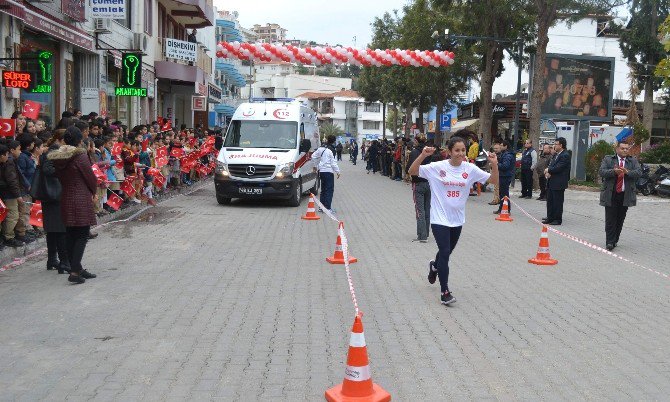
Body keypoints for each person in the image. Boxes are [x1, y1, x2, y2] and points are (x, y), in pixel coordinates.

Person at [408, 136, 499, 305]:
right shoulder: (437, 167)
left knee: (446, 252)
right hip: (439, 218)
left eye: (463, 150)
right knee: (444, 252)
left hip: (457, 219)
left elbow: (493, 180)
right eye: (457, 150)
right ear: (449, 152)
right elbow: (412, 172)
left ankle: (434, 267)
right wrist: (422, 156)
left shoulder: (470, 169)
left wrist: (494, 164)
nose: (460, 153)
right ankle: (445, 292)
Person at [48, 126, 98, 284]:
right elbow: (90, 177)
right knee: (82, 235)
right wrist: (94, 191)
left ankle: (76, 267)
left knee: (70, 234)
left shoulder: (58, 157)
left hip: (67, 196)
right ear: (79, 140)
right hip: (81, 197)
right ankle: (75, 271)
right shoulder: (80, 156)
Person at [598, 142, 642, 250]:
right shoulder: (608, 159)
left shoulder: (633, 161)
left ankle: (615, 240)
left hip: (625, 194)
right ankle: (609, 242)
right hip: (611, 193)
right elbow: (602, 172)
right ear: (617, 149)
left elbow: (639, 173)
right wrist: (613, 171)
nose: (625, 151)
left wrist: (627, 172)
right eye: (622, 148)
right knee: (610, 219)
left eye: (627, 149)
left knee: (620, 219)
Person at [40, 131, 70, 274]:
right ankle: (64, 261)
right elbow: (48, 169)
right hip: (54, 195)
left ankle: (52, 259)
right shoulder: (53, 152)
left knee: (53, 230)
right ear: (61, 140)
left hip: (53, 195)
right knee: (59, 229)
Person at [0, 144, 26, 248]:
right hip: (9, 194)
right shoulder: (9, 163)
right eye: (6, 154)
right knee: (12, 215)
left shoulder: (5, 162)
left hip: (4, 193)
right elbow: (12, 181)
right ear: (2, 155)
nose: (8, 156)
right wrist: (18, 195)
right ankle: (8, 237)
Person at [407, 137, 432, 243]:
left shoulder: (414, 152)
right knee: (427, 209)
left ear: (416, 141)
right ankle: (426, 232)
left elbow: (408, 168)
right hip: (429, 183)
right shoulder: (430, 152)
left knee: (419, 210)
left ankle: (422, 236)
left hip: (418, 183)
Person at [543, 137, 571, 225]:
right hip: (552, 181)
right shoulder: (556, 154)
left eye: (556, 144)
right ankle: (550, 217)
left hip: (559, 182)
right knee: (550, 201)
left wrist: (549, 170)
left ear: (561, 145)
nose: (554, 146)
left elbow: (559, 167)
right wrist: (548, 172)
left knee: (557, 202)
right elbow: (552, 165)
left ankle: (557, 219)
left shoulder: (565, 155)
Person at [311, 135, 340, 213]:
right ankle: (327, 208)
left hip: (321, 171)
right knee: (329, 190)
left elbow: (313, 156)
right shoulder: (332, 150)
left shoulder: (321, 148)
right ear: (334, 141)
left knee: (323, 190)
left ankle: (321, 207)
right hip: (329, 172)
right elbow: (333, 163)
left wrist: (315, 166)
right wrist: (338, 171)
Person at [494, 139, 515, 215]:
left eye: (502, 145)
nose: (500, 147)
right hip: (503, 175)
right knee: (502, 193)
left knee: (504, 194)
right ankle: (501, 208)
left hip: (505, 176)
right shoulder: (504, 153)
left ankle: (506, 209)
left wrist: (496, 164)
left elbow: (505, 166)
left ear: (506, 146)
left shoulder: (508, 155)